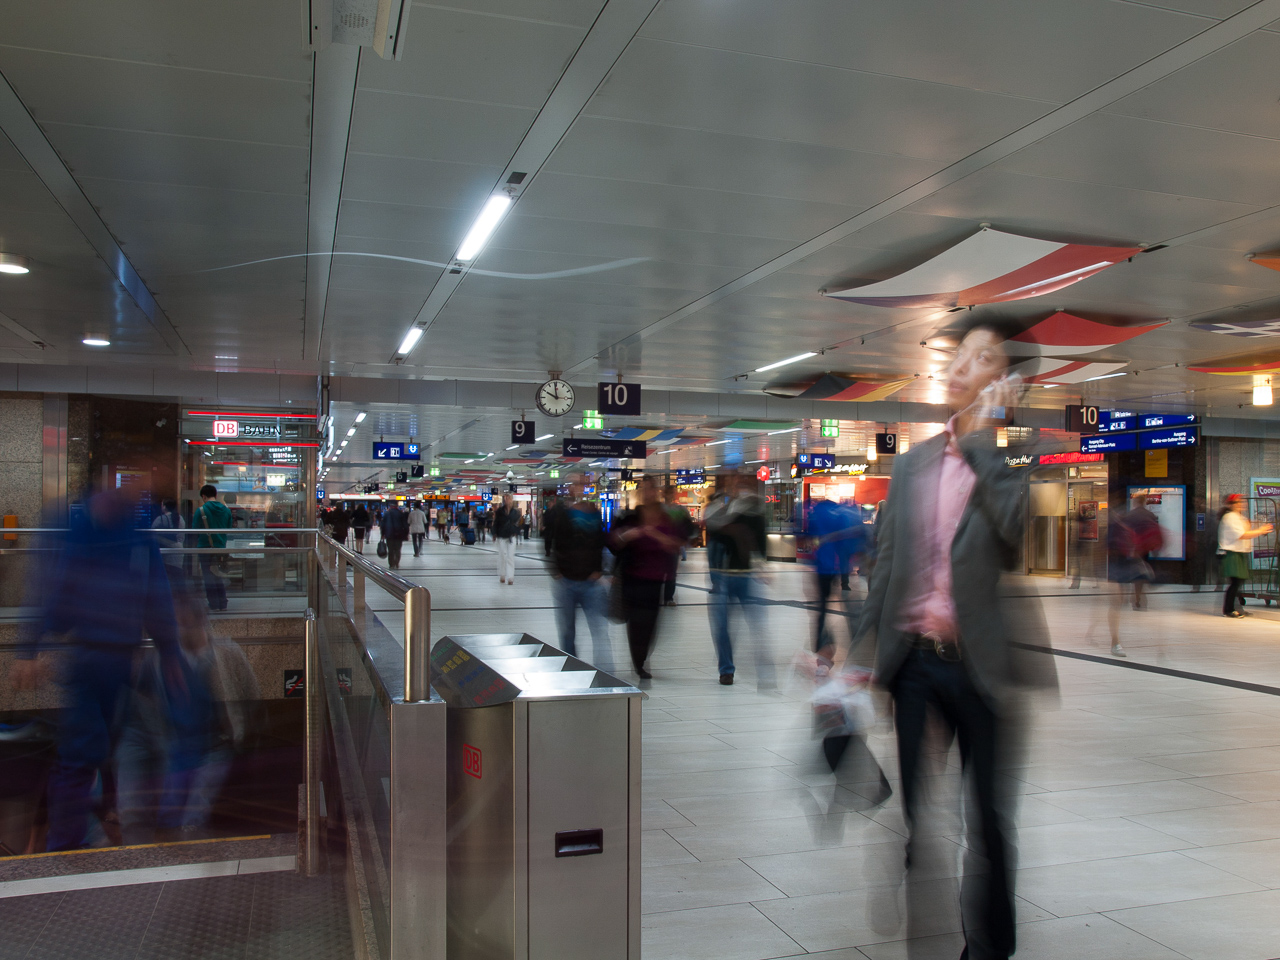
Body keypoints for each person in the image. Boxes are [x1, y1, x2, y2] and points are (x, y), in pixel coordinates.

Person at [852, 322, 1056, 960]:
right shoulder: (910, 466)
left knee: (988, 821)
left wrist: (986, 444)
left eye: (984, 356)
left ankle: (990, 948)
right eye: (960, 352)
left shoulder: (1009, 460)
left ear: (1005, 381)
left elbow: (1017, 537)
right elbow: (887, 566)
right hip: (914, 661)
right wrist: (858, 656)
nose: (964, 364)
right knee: (918, 808)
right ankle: (921, 887)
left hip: (981, 668)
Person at [10, 489, 182, 851]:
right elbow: (157, 600)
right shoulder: (133, 541)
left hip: (99, 656)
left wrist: (31, 646)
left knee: (94, 749)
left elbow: (54, 591)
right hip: (104, 657)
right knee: (88, 751)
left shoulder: (97, 538)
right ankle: (68, 840)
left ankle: (75, 834)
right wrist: (169, 654)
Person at [704, 472, 772, 687]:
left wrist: (762, 567)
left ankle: (761, 669)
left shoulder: (756, 511)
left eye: (746, 483)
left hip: (745, 576)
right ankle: (727, 670)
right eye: (738, 482)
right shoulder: (725, 508)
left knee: (756, 624)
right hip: (724, 577)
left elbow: (760, 544)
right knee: (723, 626)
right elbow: (715, 528)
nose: (742, 487)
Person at [610, 478, 682, 679]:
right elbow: (614, 541)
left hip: (656, 578)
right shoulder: (631, 516)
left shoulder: (666, 518)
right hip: (633, 576)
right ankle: (639, 662)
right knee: (636, 622)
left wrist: (657, 536)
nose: (648, 493)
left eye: (652, 489)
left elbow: (675, 545)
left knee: (650, 622)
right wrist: (628, 535)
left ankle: (642, 656)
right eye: (645, 489)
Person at [548, 480, 610, 662]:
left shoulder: (595, 514)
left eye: (582, 484)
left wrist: (599, 570)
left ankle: (606, 673)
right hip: (566, 581)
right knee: (567, 632)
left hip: (591, 582)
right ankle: (571, 666)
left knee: (600, 630)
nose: (578, 488)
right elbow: (553, 540)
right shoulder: (563, 514)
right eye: (575, 484)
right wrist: (557, 570)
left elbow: (601, 542)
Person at [805, 495, 866, 661]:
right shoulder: (841, 515)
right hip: (838, 566)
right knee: (848, 608)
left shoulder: (815, 515)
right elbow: (848, 540)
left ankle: (822, 646)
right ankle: (855, 643)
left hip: (822, 567)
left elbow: (811, 538)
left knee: (822, 609)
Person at [1218, 493, 1271, 618]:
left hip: (1238, 553)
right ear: (1231, 505)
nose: (1242, 504)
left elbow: (1245, 531)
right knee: (1236, 582)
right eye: (1239, 502)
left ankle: (1235, 608)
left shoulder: (1237, 517)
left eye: (1242, 502)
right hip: (1231, 553)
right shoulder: (1230, 517)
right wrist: (1261, 530)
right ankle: (1229, 609)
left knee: (1238, 582)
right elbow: (1242, 535)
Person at [193, 484, 233, 611]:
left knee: (208, 577)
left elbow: (194, 531)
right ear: (216, 495)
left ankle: (214, 603)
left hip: (205, 548)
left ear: (203, 497)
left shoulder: (201, 511)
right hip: (221, 548)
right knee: (218, 575)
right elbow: (228, 529)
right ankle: (223, 602)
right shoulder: (226, 511)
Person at [663, 490, 695, 606]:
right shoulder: (660, 509)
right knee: (666, 571)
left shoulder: (679, 510)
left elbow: (687, 525)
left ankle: (668, 598)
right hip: (663, 545)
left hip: (672, 545)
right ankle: (666, 597)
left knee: (670, 572)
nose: (669, 495)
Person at [151, 497, 186, 580]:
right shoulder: (180, 518)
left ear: (165, 507)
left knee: (167, 578)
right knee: (177, 577)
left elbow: (152, 533)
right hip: (179, 551)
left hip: (166, 552)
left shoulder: (160, 519)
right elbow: (182, 536)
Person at [493, 494, 522, 584]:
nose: (507, 500)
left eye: (509, 498)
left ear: (512, 500)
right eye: (506, 498)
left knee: (510, 557)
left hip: (511, 536)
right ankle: (502, 574)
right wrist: (494, 533)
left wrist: (516, 531)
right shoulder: (500, 511)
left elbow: (520, 524)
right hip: (502, 535)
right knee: (502, 555)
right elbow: (496, 523)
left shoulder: (515, 512)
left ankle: (510, 577)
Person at [380, 501, 409, 570]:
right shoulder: (400, 514)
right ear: (397, 506)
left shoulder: (386, 514)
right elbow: (405, 525)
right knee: (398, 550)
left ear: (390, 506)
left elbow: (383, 525)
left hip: (389, 534)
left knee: (390, 550)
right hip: (399, 534)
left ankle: (391, 564)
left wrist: (382, 534)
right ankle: (396, 563)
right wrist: (406, 534)